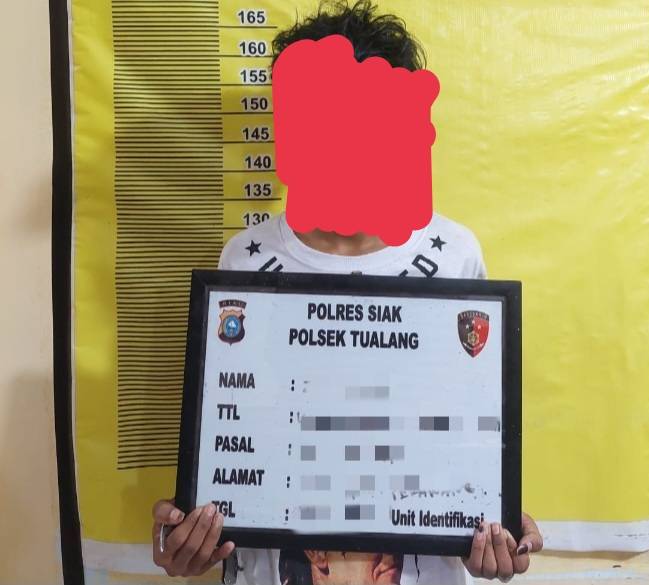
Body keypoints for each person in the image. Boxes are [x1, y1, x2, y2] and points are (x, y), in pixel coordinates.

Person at [152, 1, 543, 582]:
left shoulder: (455, 254)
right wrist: (194, 527)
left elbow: (467, 440)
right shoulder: (244, 260)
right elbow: (236, 433)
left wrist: (491, 524)